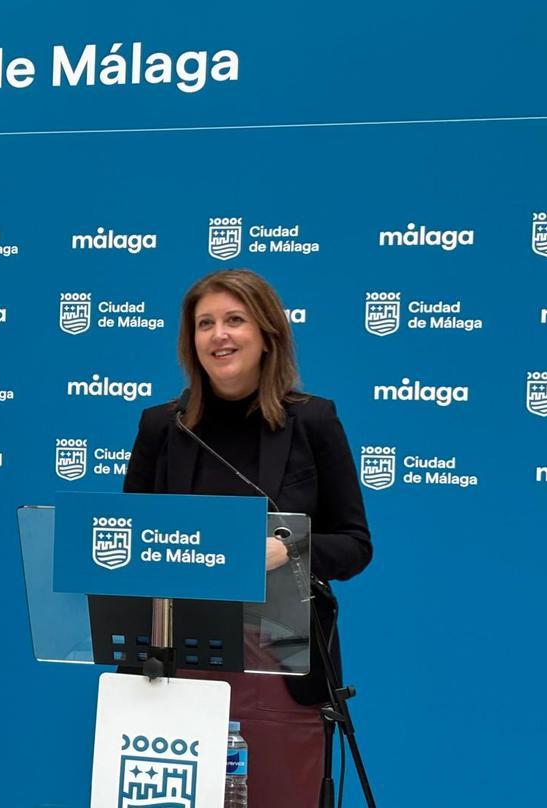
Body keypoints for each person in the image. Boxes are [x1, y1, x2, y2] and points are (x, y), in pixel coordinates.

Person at [123, 269, 372, 808]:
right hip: (175, 658)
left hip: (281, 656)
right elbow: (131, 551)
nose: (220, 335)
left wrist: (291, 548)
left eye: (234, 320)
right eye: (205, 323)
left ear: (266, 334)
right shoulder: (161, 427)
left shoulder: (314, 422)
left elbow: (355, 544)